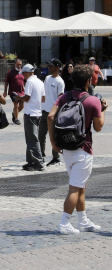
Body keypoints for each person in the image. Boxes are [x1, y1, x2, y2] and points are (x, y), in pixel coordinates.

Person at [47, 64, 107, 234]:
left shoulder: (64, 97)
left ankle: (83, 220)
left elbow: (51, 116)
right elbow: (98, 127)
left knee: (80, 186)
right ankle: (64, 223)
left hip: (66, 147)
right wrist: (103, 111)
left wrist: (53, 142)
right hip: (83, 148)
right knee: (75, 188)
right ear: (89, 81)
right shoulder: (93, 100)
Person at [15, 64, 46, 171]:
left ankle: (38, 162)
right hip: (38, 112)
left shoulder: (30, 82)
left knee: (32, 138)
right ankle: (30, 161)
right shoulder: (40, 82)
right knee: (30, 138)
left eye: (23, 73)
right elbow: (43, 98)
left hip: (30, 113)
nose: (23, 76)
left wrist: (18, 97)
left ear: (27, 72)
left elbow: (27, 98)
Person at [39, 58, 65, 167]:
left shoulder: (60, 81)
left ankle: (56, 157)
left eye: (52, 66)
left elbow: (61, 98)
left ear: (58, 67)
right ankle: (41, 156)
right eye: (49, 65)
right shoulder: (47, 78)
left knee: (54, 136)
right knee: (41, 135)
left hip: (53, 113)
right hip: (44, 111)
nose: (49, 67)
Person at [3, 59, 25, 125]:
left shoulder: (23, 72)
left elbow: (25, 81)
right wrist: (5, 91)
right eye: (18, 64)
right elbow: (6, 82)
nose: (19, 66)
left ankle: (14, 113)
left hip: (21, 92)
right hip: (13, 91)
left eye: (20, 64)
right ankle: (16, 119)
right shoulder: (11, 72)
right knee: (16, 104)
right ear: (15, 64)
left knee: (22, 105)